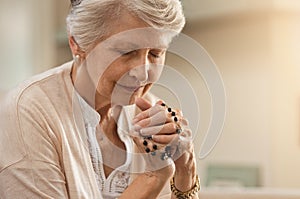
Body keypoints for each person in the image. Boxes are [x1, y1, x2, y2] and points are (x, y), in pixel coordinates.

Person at [0, 0, 200, 198]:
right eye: (127, 52)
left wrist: (186, 170)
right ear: (77, 44)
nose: (143, 74)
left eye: (155, 54)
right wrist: (153, 177)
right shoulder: (28, 111)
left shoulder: (151, 112)